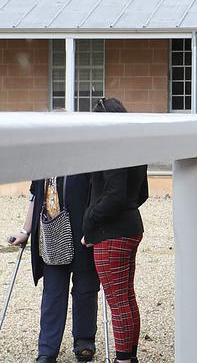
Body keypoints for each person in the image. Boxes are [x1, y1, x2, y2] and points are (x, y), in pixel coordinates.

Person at [81, 97, 148, 363]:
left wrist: (90, 220)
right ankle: (129, 358)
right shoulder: (134, 146)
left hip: (112, 233)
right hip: (131, 226)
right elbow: (140, 193)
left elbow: (115, 195)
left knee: (118, 303)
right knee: (126, 299)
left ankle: (122, 359)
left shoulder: (111, 147)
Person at [9, 171, 99, 363]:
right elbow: (35, 194)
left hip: (84, 228)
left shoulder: (87, 155)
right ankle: (48, 348)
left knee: (86, 286)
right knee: (53, 290)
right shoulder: (45, 157)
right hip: (51, 228)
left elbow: (98, 193)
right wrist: (25, 231)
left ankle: (84, 340)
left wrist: (97, 228)